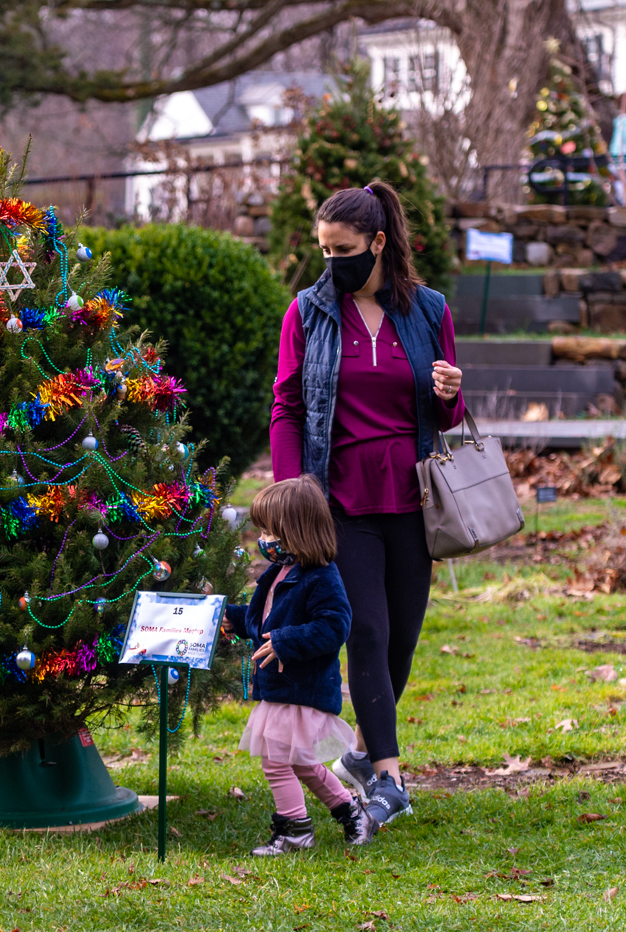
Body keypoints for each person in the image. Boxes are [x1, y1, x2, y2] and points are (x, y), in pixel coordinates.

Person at [269, 182, 464, 828]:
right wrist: (292, 495)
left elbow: (448, 413)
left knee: (402, 638)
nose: (331, 263)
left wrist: (448, 393)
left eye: (343, 250)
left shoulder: (430, 311)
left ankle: (363, 753)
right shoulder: (307, 312)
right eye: (323, 250)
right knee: (368, 631)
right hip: (339, 500)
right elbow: (288, 408)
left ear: (378, 243)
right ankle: (389, 780)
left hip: (411, 498)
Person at [223, 476, 376, 856]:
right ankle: (353, 813)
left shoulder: (322, 577)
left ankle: (295, 829)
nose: (263, 538)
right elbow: (267, 620)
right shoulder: (277, 573)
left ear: (297, 532)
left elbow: (334, 625)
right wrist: (232, 619)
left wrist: (288, 642)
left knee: (277, 763)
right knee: (302, 764)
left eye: (269, 530)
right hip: (279, 687)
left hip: (302, 687)